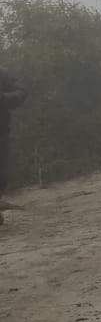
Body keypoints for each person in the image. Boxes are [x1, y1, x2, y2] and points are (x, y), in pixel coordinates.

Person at [0, 66, 30, 225]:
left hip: (1, 133)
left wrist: (4, 98)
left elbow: (22, 91)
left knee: (3, 174)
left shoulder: (2, 73)